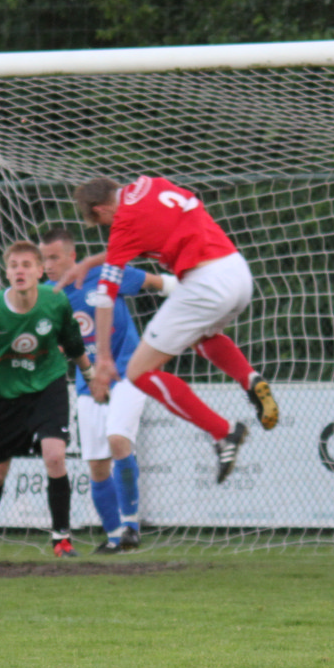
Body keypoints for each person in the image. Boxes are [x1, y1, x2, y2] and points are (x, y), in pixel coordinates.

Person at [66, 176, 278, 484]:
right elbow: (156, 229)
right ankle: (250, 379)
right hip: (237, 272)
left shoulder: (123, 224)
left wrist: (104, 358)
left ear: (100, 209)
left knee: (138, 372)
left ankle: (224, 433)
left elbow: (105, 296)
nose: (107, 228)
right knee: (200, 336)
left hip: (204, 283)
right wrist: (90, 262)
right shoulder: (154, 183)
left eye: (101, 223)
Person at [0, 240, 94, 559]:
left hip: (47, 386)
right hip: (4, 395)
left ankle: (62, 539)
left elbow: (72, 341)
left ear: (40, 271)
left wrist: (90, 373)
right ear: (7, 273)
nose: (20, 271)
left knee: (54, 456)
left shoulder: (54, 301)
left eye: (27, 265)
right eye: (14, 265)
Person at [39, 227, 175, 554]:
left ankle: (131, 526)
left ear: (72, 256)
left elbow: (158, 283)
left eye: (54, 258)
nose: (48, 265)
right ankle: (116, 539)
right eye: (44, 259)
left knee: (117, 439)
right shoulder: (47, 296)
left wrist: (192, 292)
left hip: (130, 371)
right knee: (98, 465)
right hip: (89, 382)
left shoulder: (106, 273)